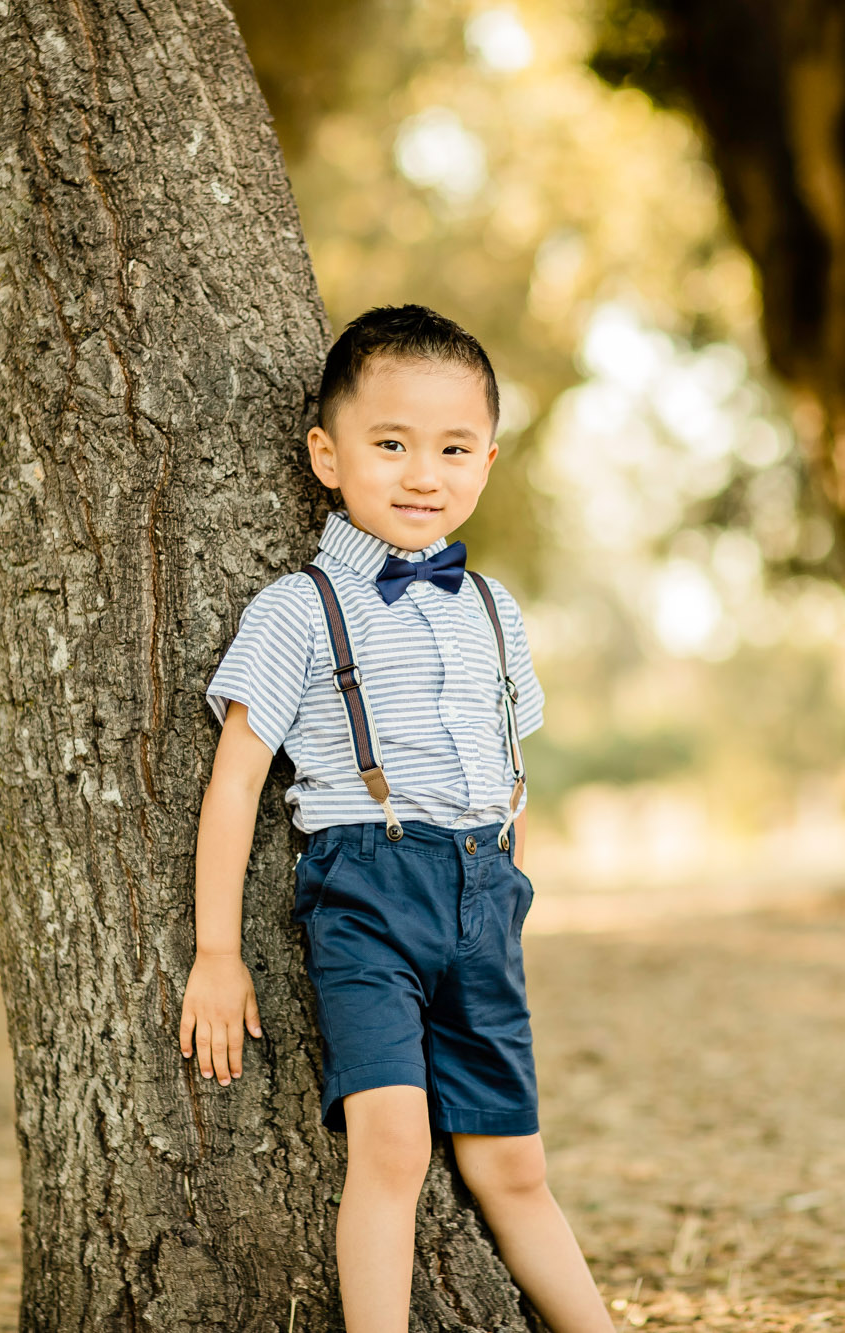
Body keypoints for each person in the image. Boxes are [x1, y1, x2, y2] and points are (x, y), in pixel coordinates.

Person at [179, 305, 614, 1332]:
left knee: (511, 1162)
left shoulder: (495, 609)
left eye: (453, 448)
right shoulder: (297, 607)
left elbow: (514, 767)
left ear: (488, 460)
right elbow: (234, 779)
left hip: (482, 897)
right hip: (366, 892)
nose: (424, 473)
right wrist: (214, 951)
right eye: (390, 444)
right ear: (326, 456)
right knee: (391, 1144)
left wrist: (502, 894)